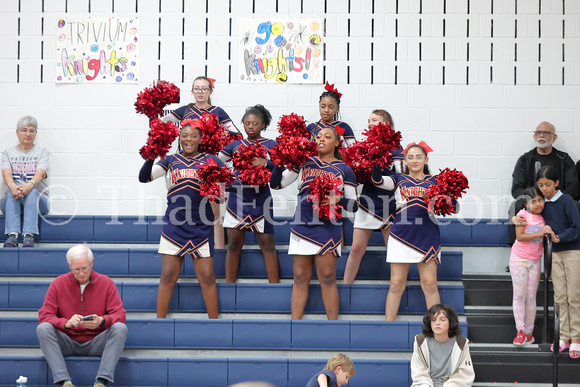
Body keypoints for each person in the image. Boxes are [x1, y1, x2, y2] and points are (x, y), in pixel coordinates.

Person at [139, 120, 228, 319]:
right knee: (168, 276)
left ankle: (215, 323)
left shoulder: (212, 160)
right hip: (175, 226)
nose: (189, 139)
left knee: (207, 277)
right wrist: (151, 156)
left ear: (200, 139)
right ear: (180, 137)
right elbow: (144, 178)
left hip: (201, 226)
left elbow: (225, 190)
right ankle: (159, 321)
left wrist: (218, 192)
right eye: (185, 135)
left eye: (194, 136)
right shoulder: (170, 160)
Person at [271, 128, 358, 320]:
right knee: (300, 277)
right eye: (318, 137)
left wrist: (338, 201)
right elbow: (276, 185)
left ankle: (333, 326)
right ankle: (294, 325)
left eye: (327, 137)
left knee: (327, 278)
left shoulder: (345, 169)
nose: (321, 139)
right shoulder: (303, 163)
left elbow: (354, 205)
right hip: (302, 225)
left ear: (337, 143)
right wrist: (278, 163)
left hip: (328, 228)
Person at [162, 76, 242, 249]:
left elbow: (237, 136)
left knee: (214, 206)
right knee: (186, 200)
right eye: (197, 88)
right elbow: (160, 126)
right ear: (192, 91)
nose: (200, 92)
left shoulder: (217, 111)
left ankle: (217, 248)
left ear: (210, 91)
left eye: (204, 88)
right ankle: (184, 242)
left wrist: (220, 156)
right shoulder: (185, 110)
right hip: (186, 162)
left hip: (209, 165)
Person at [372, 143, 444, 321]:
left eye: (419, 156)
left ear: (426, 159)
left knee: (429, 284)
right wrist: (373, 160)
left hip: (427, 235)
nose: (414, 161)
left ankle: (437, 329)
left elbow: (454, 207)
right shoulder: (397, 179)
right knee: (396, 284)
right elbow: (377, 181)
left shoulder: (436, 181)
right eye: (410, 157)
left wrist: (447, 198)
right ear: (404, 160)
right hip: (400, 235)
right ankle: (389, 327)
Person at [36, 245, 127, 387]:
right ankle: (63, 380)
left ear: (92, 263)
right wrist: (65, 323)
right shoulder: (58, 283)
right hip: (67, 341)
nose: (81, 273)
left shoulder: (106, 283)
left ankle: (102, 380)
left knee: (120, 328)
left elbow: (120, 315)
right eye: (76, 269)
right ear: (69, 266)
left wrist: (102, 321)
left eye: (85, 268)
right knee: (43, 328)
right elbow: (44, 315)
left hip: (96, 342)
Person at [514, 166, 580, 358]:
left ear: (557, 183)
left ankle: (576, 338)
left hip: (573, 252)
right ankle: (563, 336)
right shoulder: (542, 203)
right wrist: (515, 218)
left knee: (574, 296)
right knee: (559, 296)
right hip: (554, 254)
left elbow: (576, 227)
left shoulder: (567, 200)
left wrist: (561, 237)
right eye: (541, 185)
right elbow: (526, 215)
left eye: (548, 185)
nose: (544, 188)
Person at [218, 105, 280, 283]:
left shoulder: (271, 145)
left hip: (262, 199)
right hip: (237, 199)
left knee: (268, 244)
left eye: (255, 123)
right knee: (234, 244)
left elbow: (282, 169)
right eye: (247, 123)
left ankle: (274, 287)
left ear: (263, 124)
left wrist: (266, 163)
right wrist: (227, 180)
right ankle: (230, 285)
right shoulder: (235, 145)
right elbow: (214, 163)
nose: (250, 126)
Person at [343, 109, 404, 284]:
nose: (369, 123)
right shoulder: (364, 146)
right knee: (356, 249)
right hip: (367, 202)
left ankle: (397, 287)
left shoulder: (396, 148)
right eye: (368, 120)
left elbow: (401, 177)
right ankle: (345, 287)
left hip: (389, 204)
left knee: (392, 250)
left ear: (386, 124)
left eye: (374, 120)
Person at [509, 121, 579, 244]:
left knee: (575, 204)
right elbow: (516, 188)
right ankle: (517, 251)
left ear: (554, 137)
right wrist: (534, 200)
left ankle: (570, 246)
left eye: (546, 133)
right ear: (534, 136)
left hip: (558, 201)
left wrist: (556, 199)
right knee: (516, 205)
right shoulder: (525, 160)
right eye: (538, 132)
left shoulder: (564, 159)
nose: (541, 135)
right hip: (533, 202)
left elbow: (573, 187)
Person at [509, 186, 556, 346]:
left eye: (540, 200)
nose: (537, 204)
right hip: (519, 260)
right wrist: (541, 233)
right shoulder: (522, 215)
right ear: (527, 203)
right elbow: (520, 237)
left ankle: (529, 333)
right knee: (519, 295)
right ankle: (520, 330)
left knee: (531, 297)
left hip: (535, 261)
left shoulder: (544, 217)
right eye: (533, 201)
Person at [1, 116, 50, 247]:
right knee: (11, 193)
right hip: (13, 199)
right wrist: (12, 187)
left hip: (39, 202)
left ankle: (29, 235)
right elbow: (6, 173)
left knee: (32, 192)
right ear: (17, 132)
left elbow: (40, 173)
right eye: (24, 130)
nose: (28, 134)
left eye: (32, 131)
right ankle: (12, 235)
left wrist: (29, 186)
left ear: (35, 133)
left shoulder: (43, 152)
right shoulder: (7, 153)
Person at [411, 304, 475, 386]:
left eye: (442, 320)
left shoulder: (461, 342)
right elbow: (419, 374)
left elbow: (464, 375)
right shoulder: (420, 341)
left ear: (450, 322)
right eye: (433, 320)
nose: (437, 323)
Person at [306, 83, 356, 147]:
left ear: (337, 109)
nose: (326, 110)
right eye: (323, 107)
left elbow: (353, 149)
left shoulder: (344, 127)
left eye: (331, 107)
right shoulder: (311, 127)